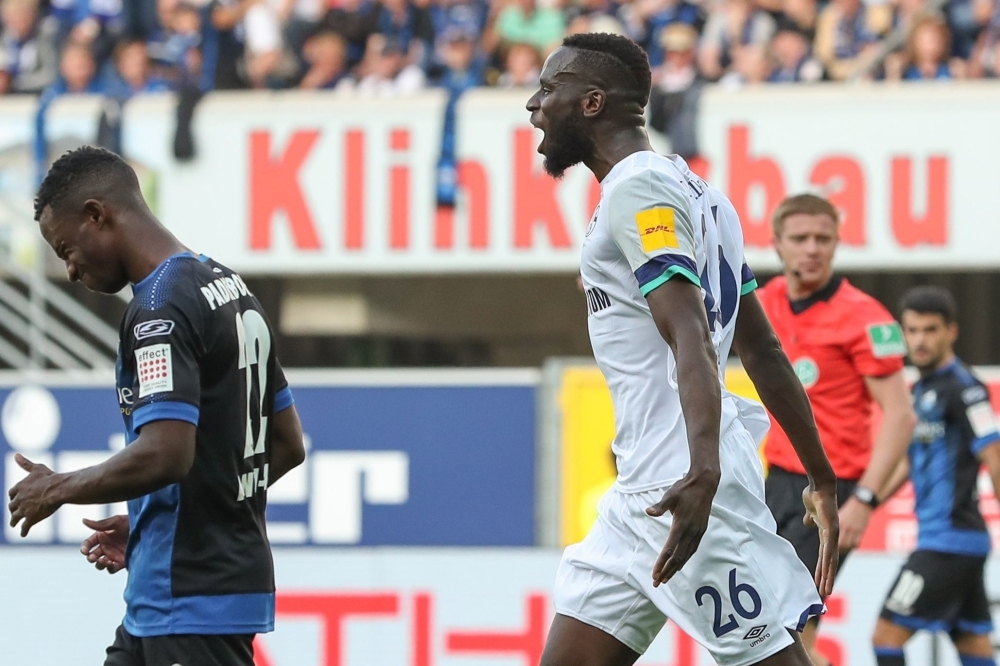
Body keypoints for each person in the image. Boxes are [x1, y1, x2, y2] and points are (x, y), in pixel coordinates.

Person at [526, 32, 839, 666]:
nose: (534, 104)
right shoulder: (701, 195)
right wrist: (821, 476)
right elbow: (764, 350)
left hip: (685, 480)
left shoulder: (639, 190)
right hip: (644, 490)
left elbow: (689, 332)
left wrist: (703, 471)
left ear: (591, 104)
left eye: (549, 88)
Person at [7, 146, 306, 666]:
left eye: (65, 250)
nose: (71, 271)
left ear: (97, 215)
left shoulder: (158, 308)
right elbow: (286, 445)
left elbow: (166, 453)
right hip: (177, 597)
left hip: (190, 602)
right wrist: (162, 519)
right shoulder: (228, 286)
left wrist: (57, 488)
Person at [758, 193, 917, 666]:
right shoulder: (763, 303)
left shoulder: (864, 317)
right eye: (800, 239)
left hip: (830, 493)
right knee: (772, 627)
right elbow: (692, 303)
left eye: (822, 239)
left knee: (786, 629)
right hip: (776, 483)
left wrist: (863, 502)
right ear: (778, 245)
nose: (812, 249)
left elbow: (901, 415)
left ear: (836, 244)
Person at [872, 286, 1000, 666]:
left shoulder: (966, 389)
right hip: (956, 542)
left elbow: (994, 456)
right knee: (974, 647)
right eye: (912, 330)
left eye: (930, 330)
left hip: (949, 542)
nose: (920, 340)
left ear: (951, 332)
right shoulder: (919, 390)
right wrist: (866, 504)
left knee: (885, 637)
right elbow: (909, 464)